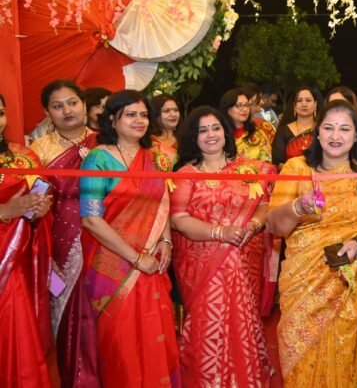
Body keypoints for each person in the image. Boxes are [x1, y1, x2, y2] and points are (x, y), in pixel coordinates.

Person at [266, 99, 357, 386]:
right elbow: (274, 226)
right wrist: (298, 208)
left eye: (344, 129)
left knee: (350, 361)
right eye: (328, 128)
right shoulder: (297, 168)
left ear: (356, 136)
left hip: (356, 290)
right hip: (304, 285)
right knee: (302, 361)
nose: (335, 136)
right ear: (317, 133)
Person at [80, 90, 180, 386]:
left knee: (155, 334)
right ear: (113, 118)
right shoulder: (97, 159)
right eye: (131, 114)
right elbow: (91, 219)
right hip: (112, 265)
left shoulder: (156, 157)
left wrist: (166, 241)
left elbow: (162, 202)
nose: (139, 121)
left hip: (153, 260)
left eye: (144, 115)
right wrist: (137, 259)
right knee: (120, 343)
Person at [170, 107, 276, 386]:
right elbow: (178, 219)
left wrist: (253, 226)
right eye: (202, 130)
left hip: (244, 257)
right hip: (202, 264)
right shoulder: (186, 174)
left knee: (242, 319)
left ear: (226, 132)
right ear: (193, 137)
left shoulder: (247, 169)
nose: (211, 135)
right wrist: (220, 233)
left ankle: (244, 378)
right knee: (207, 322)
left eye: (216, 128)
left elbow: (264, 204)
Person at [29, 80, 100, 388]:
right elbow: (34, 200)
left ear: (84, 104)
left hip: (106, 237)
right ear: (47, 113)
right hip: (58, 241)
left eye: (72, 102)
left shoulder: (105, 143)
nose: (67, 111)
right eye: (57, 106)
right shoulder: (38, 150)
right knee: (67, 307)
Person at [0, 93, 54, 387]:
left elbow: (39, 193)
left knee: (14, 326)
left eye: (0, 113)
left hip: (13, 254)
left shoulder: (23, 155)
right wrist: (4, 211)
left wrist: (38, 210)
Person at [219, 88, 275, 164]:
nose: (245, 109)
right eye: (239, 105)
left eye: (247, 105)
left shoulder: (262, 127)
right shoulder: (220, 136)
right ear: (227, 109)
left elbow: (277, 153)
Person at [271, 86, 317, 167]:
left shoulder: (322, 129)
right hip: (290, 174)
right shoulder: (283, 131)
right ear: (294, 106)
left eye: (308, 100)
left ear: (315, 104)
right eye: (299, 101)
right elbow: (277, 162)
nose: (304, 104)